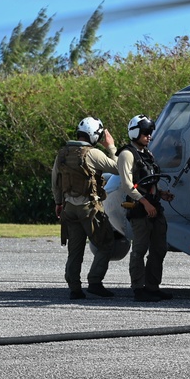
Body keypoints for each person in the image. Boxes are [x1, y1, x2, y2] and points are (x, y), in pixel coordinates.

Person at [51, 117, 120, 299]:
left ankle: (74, 288)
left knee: (75, 250)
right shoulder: (93, 153)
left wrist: (58, 202)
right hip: (89, 209)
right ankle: (95, 281)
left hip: (69, 209)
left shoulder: (62, 153)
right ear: (94, 135)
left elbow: (55, 181)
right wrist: (111, 146)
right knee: (106, 244)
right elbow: (119, 168)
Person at [117, 114, 175, 302]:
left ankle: (152, 286)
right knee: (140, 249)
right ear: (135, 133)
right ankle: (138, 288)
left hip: (154, 206)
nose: (149, 136)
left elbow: (149, 181)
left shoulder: (147, 154)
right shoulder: (127, 154)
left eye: (150, 133)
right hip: (139, 209)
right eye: (146, 133)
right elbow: (127, 185)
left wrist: (161, 194)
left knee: (159, 248)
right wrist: (145, 202)